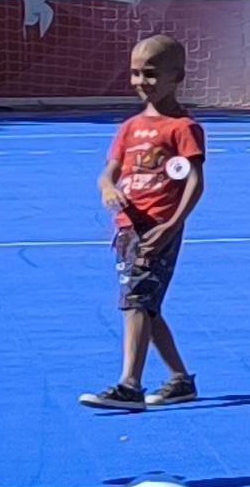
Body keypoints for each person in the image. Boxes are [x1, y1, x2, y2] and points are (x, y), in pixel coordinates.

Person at [81, 35, 206, 411]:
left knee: (136, 301)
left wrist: (172, 225)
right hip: (128, 228)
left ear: (176, 76)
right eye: (135, 73)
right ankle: (180, 380)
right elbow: (109, 172)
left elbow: (195, 182)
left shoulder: (183, 128)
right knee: (146, 306)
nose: (140, 81)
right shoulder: (130, 127)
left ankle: (130, 385)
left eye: (150, 73)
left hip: (157, 229)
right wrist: (107, 188)